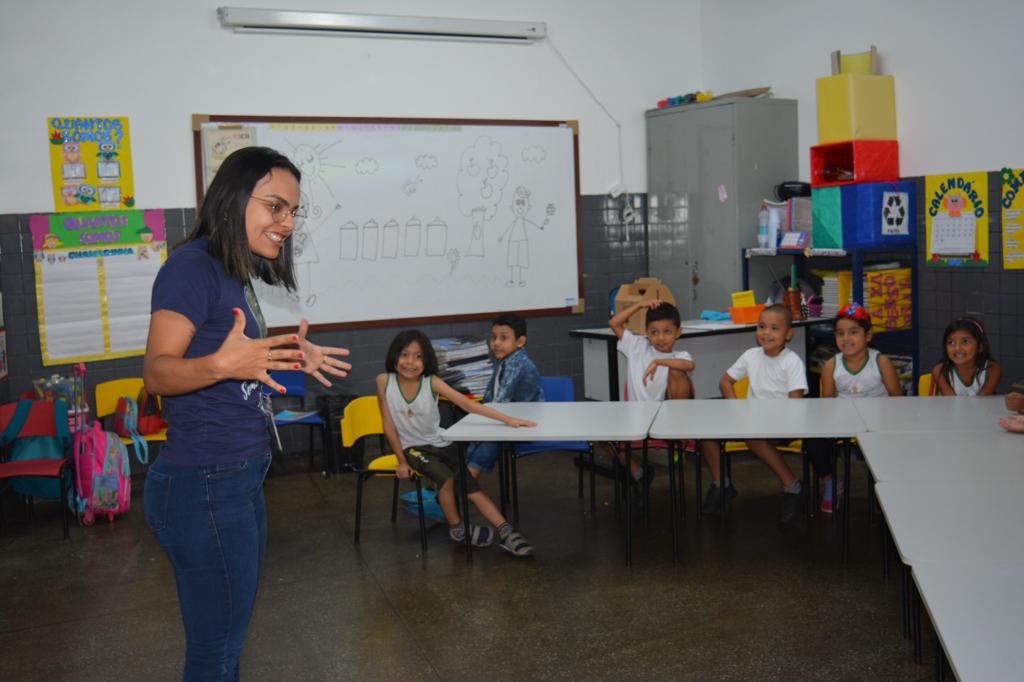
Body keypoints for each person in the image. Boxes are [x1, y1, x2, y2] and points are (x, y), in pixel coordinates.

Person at [142, 146, 352, 680]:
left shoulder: (231, 270)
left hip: (235, 477)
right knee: (215, 653)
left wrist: (289, 353)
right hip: (205, 483)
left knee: (227, 646)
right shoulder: (191, 267)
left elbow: (233, 356)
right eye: (275, 206)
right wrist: (220, 364)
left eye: (293, 211)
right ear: (234, 199)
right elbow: (158, 373)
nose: (287, 223)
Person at [377, 329, 536, 556]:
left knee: (472, 489)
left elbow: (468, 405)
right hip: (413, 448)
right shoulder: (384, 381)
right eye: (404, 354)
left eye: (418, 356)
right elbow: (388, 425)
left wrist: (507, 419)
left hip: (441, 443)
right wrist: (402, 461)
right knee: (447, 478)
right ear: (394, 356)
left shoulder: (431, 382)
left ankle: (506, 532)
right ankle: (457, 529)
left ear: (427, 360)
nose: (410, 362)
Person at [700, 304, 808, 526]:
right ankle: (722, 485)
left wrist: (773, 421)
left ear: (788, 334)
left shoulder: (792, 361)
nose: (766, 333)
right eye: (761, 326)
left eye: (774, 328)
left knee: (754, 438)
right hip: (751, 420)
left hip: (784, 422)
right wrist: (737, 410)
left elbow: (795, 403)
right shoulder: (751, 355)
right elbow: (725, 382)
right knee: (706, 433)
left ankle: (793, 487)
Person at [810, 303, 903, 513]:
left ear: (868, 335)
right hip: (843, 423)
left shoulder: (881, 362)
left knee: (891, 443)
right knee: (813, 439)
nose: (846, 338)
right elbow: (826, 406)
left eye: (853, 332)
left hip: (878, 424)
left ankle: (884, 489)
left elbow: (898, 401)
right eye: (840, 333)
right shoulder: (831, 365)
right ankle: (831, 481)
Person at [609, 299, 694, 491]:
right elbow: (614, 323)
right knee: (601, 436)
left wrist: (659, 362)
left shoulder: (680, 355)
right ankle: (639, 474)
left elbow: (689, 365)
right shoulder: (637, 347)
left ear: (678, 332)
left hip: (666, 420)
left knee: (677, 371)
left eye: (667, 331)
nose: (660, 338)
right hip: (636, 418)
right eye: (654, 332)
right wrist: (640, 305)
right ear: (646, 332)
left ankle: (678, 434)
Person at [465, 313, 544, 478]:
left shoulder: (518, 364)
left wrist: (483, 422)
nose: (496, 343)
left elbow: (500, 400)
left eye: (503, 338)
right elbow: (490, 395)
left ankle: (464, 483)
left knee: (486, 444)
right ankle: (459, 485)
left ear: (520, 341)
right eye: (494, 337)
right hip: (507, 418)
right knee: (471, 440)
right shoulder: (503, 359)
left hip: (524, 423)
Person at [930, 316, 1001, 396]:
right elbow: (951, 401)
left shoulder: (992, 368)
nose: (957, 348)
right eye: (951, 342)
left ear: (980, 347)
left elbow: (982, 401)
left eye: (965, 341)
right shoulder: (939, 370)